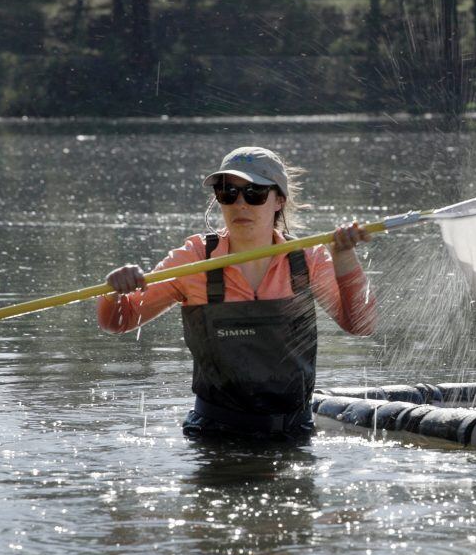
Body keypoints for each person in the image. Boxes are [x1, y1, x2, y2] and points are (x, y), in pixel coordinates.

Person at [99, 146, 375, 444]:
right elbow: (120, 321)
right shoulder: (194, 258)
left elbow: (360, 326)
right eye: (228, 192)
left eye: (254, 193)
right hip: (214, 436)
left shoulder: (307, 259)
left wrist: (345, 257)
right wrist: (113, 291)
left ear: (279, 200)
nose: (240, 203)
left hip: (294, 435)